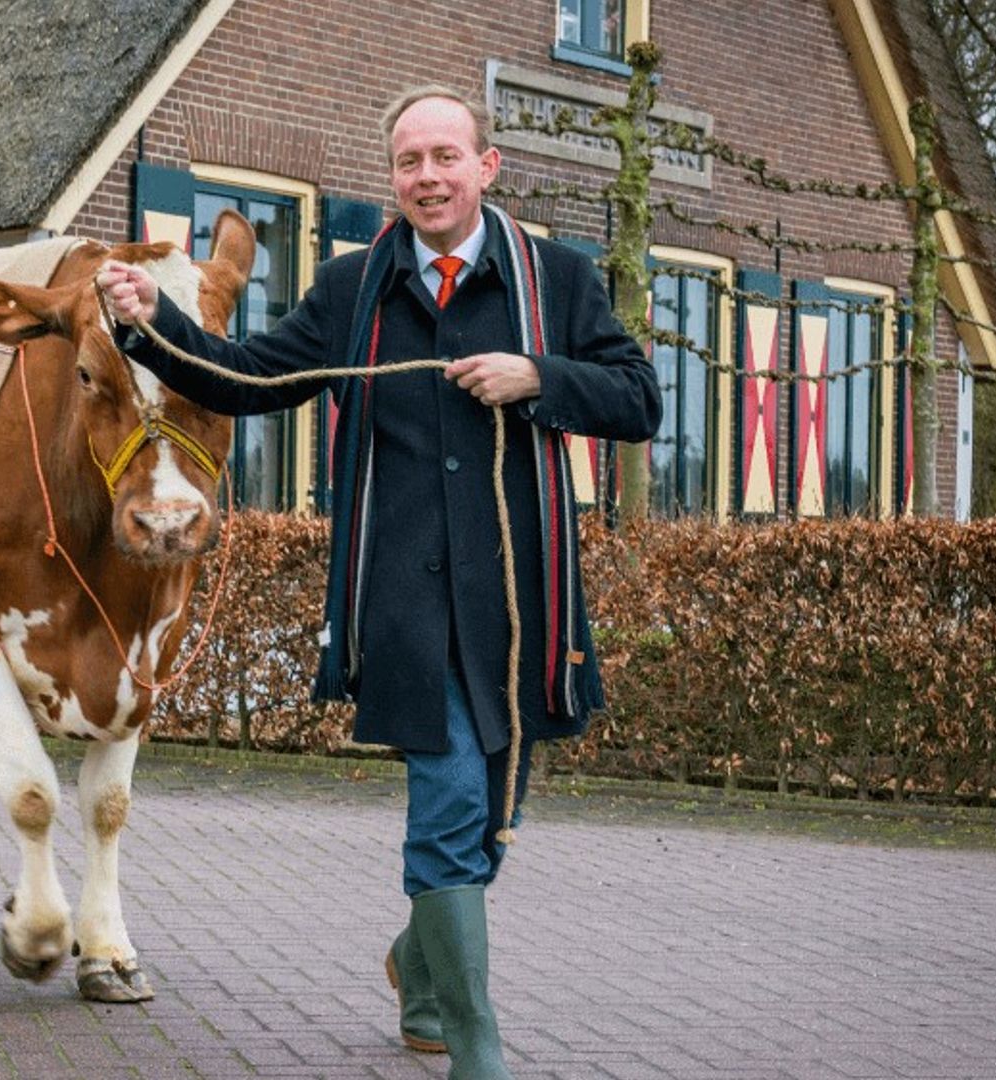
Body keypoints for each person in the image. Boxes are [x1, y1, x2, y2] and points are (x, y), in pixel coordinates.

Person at [96, 86, 659, 1079]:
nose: (427, 176)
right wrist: (150, 325)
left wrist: (538, 377)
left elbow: (639, 400)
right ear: (391, 178)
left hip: (524, 608)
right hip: (400, 601)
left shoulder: (557, 284)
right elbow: (246, 374)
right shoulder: (354, 290)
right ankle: (477, 1049)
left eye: (446, 156)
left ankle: (418, 962)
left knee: (494, 814)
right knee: (446, 804)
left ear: (488, 168)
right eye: (409, 162)